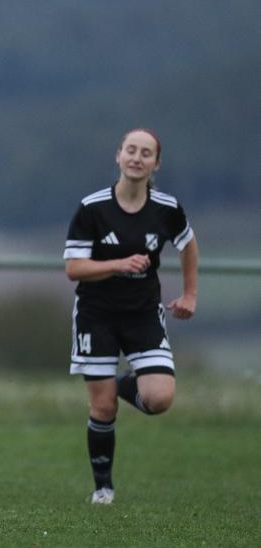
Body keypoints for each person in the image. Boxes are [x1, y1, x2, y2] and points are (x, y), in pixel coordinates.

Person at [63, 128, 198, 505]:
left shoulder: (167, 209)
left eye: (146, 153)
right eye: (131, 150)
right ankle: (103, 487)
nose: (137, 158)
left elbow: (188, 245)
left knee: (160, 399)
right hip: (96, 315)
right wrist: (118, 264)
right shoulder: (92, 208)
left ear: (156, 164)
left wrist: (190, 294)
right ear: (118, 156)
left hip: (142, 314)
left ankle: (123, 384)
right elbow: (74, 268)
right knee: (103, 407)